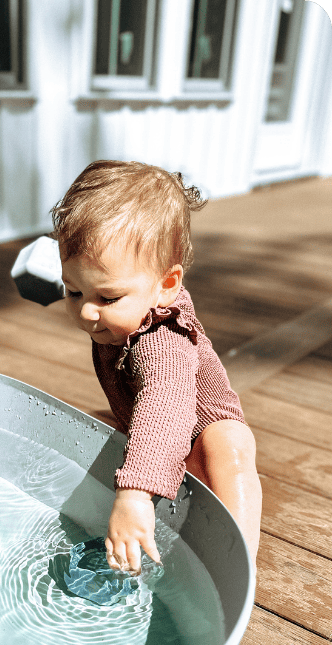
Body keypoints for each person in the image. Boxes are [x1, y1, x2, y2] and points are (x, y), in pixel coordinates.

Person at [51, 160, 262, 574]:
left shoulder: (163, 342)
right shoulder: (123, 298)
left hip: (194, 432)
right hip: (142, 420)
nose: (88, 312)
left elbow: (164, 407)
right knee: (96, 428)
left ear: (166, 286)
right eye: (73, 291)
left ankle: (237, 561)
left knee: (231, 446)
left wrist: (134, 496)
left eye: (107, 298)